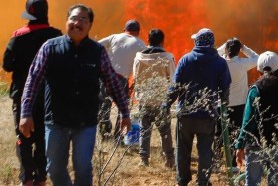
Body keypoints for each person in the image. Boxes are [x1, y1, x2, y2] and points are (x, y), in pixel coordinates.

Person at [18, 4, 131, 186]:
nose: (77, 23)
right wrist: (25, 113)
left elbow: (112, 82)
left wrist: (125, 113)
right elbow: (33, 80)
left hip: (85, 123)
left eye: (83, 20)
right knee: (54, 169)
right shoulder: (50, 48)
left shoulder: (97, 52)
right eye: (74, 19)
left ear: (90, 25)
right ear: (66, 21)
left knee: (84, 169)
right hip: (56, 121)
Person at [3, 0, 62, 186]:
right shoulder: (57, 36)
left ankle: (26, 178)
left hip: (23, 96)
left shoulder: (18, 37)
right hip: (48, 96)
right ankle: (41, 178)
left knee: (24, 137)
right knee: (44, 136)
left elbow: (7, 65)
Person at [165, 27, 231, 186]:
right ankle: (202, 181)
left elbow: (175, 86)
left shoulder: (186, 60)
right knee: (205, 150)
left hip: (186, 114)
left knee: (183, 150)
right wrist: (223, 104)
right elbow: (225, 88)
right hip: (207, 115)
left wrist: (166, 104)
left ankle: (182, 180)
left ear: (198, 42)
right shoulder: (220, 63)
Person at [234, 52, 278, 186]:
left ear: (259, 70)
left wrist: (240, 145)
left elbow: (248, 120)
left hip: (256, 145)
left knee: (252, 183)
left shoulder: (255, 90)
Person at [133, 28, 175, 168]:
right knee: (165, 132)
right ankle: (169, 160)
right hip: (161, 100)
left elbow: (136, 79)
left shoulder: (139, 58)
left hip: (145, 99)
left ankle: (143, 160)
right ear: (162, 41)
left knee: (144, 130)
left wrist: (140, 95)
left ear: (148, 40)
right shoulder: (168, 58)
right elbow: (173, 80)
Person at [96, 19, 146, 139]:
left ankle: (104, 133)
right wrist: (136, 82)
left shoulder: (114, 37)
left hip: (105, 76)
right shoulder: (140, 44)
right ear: (138, 32)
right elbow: (143, 64)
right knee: (123, 110)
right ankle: (119, 137)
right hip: (121, 80)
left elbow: (96, 46)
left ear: (124, 30)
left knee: (104, 105)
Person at [217, 38, 259, 156]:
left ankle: (218, 158)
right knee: (236, 131)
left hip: (221, 104)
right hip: (239, 105)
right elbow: (258, 58)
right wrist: (244, 48)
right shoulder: (242, 64)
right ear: (238, 51)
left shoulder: (220, 63)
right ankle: (235, 161)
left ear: (226, 49)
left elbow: (213, 54)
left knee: (220, 132)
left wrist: (223, 47)